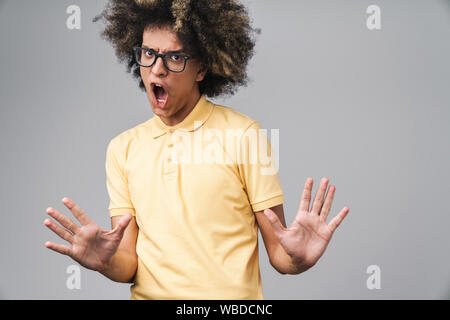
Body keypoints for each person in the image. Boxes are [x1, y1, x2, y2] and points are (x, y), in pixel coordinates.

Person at [44, 0, 350, 300]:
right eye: (148, 53)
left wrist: (299, 258)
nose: (157, 69)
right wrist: (105, 261)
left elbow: (281, 254)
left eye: (174, 58)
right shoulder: (122, 149)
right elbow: (127, 264)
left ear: (201, 68)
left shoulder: (245, 135)